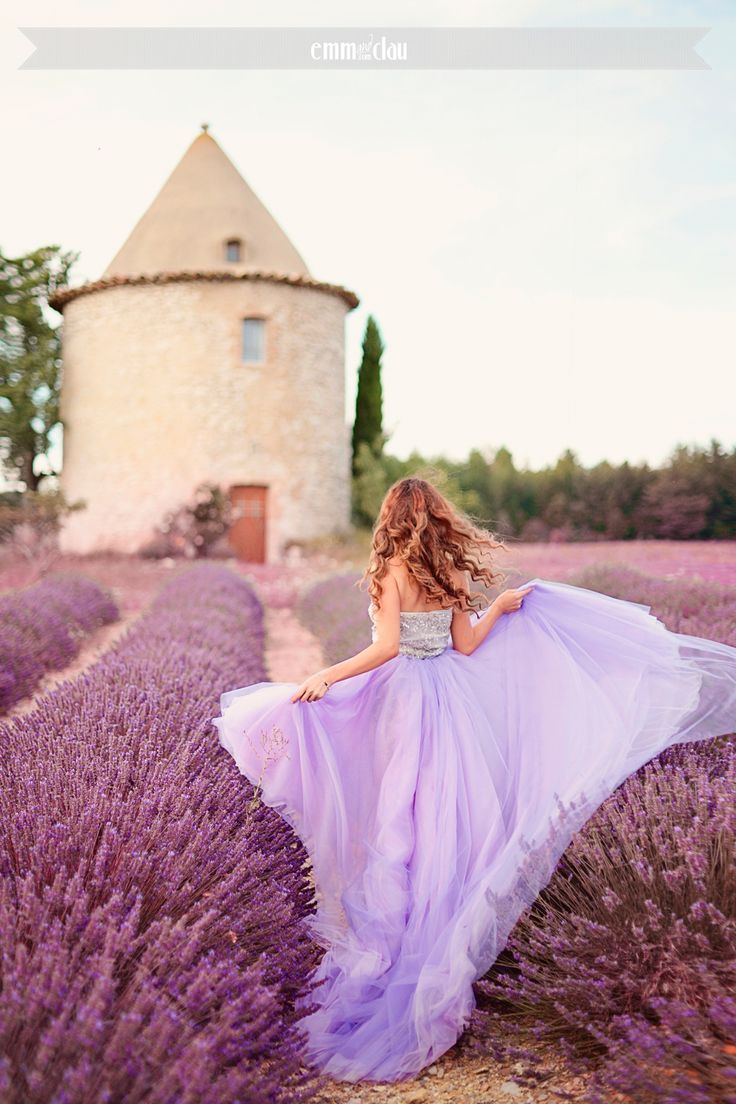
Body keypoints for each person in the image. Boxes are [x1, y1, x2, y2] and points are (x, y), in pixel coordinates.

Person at [211, 476, 736, 1084]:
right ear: (437, 518)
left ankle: (405, 933)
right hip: (452, 699)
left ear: (390, 519)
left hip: (407, 698)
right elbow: (465, 646)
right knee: (451, 813)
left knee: (400, 814)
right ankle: (450, 930)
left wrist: (328, 675)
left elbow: (386, 648)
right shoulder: (450, 573)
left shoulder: (391, 573)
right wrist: (501, 611)